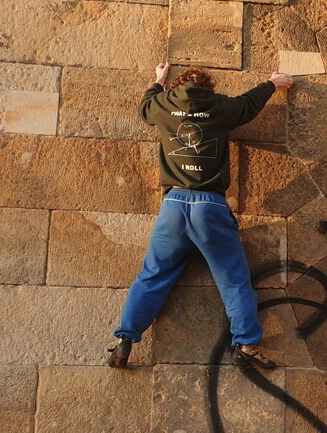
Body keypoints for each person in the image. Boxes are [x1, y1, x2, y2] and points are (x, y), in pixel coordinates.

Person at [108, 63, 294, 369]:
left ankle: (125, 340)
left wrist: (157, 81)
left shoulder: (163, 104)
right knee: (233, 278)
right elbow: (248, 105)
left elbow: (144, 109)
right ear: (209, 87)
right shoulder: (219, 106)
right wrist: (273, 83)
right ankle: (246, 344)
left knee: (153, 275)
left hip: (173, 204)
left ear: (176, 86)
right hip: (210, 205)